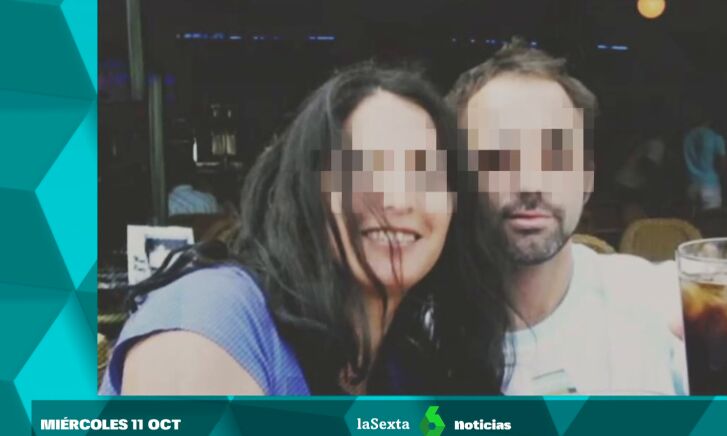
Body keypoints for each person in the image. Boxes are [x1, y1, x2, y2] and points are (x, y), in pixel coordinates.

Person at [99, 64, 509, 395]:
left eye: (426, 173)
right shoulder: (214, 313)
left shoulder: (404, 365)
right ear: (306, 189)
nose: (399, 200)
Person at [447, 40, 687, 395]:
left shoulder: (659, 299)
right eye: (498, 157)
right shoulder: (417, 337)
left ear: (587, 178)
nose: (530, 184)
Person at [682, 112, 727, 210]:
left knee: (693, 218)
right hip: (710, 185)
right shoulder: (715, 136)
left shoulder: (687, 136)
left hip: (691, 185)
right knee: (712, 218)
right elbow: (722, 162)